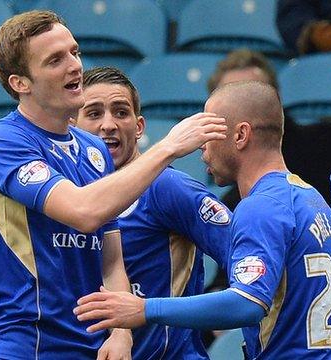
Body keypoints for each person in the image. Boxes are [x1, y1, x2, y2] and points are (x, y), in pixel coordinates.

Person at [0, 10, 226, 359]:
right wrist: (167, 147)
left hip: (90, 347)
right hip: (24, 346)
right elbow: (84, 212)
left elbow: (111, 260)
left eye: (74, 52)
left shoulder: (93, 152)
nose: (74, 66)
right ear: (20, 83)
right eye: (55, 60)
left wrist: (121, 333)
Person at [74, 81, 331, 359]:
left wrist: (144, 309)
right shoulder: (312, 199)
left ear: (240, 135)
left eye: (210, 130)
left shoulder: (258, 208)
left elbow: (246, 302)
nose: (202, 144)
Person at [75, 66, 232, 359]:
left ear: (139, 127)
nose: (109, 124)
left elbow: (246, 251)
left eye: (120, 113)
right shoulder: (67, 197)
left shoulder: (168, 188)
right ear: (72, 126)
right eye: (94, 114)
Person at [208, 48, 331, 209]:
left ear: (276, 97)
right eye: (233, 99)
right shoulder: (232, 205)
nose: (246, 107)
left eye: (254, 93)